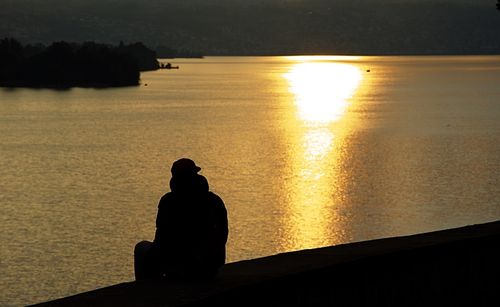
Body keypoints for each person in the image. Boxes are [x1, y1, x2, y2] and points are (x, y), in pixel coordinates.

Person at [134, 158, 228, 281]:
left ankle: (146, 288)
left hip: (182, 266)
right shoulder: (215, 200)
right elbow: (223, 234)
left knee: (141, 248)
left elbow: (161, 237)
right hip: (210, 266)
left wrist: (155, 260)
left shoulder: (168, 201)